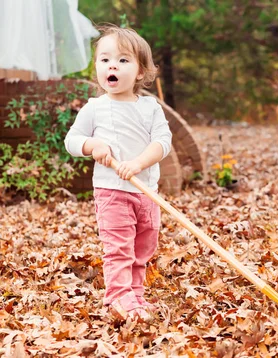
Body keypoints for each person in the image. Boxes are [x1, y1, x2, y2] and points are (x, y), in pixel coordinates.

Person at [64, 25, 172, 322]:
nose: (113, 65)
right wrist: (92, 144)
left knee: (143, 248)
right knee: (119, 248)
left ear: (140, 72)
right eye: (105, 59)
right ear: (98, 67)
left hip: (146, 190)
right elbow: (72, 141)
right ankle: (117, 299)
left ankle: (135, 295)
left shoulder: (150, 108)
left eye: (123, 60)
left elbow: (163, 143)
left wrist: (137, 164)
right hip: (112, 192)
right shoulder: (95, 108)